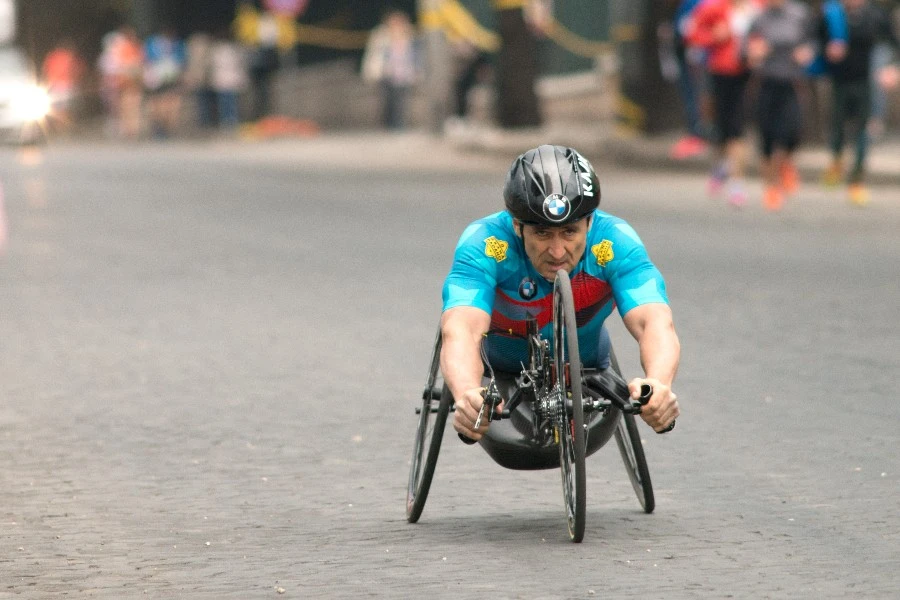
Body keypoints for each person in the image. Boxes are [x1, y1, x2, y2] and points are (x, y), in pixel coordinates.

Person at [440, 145, 681, 442]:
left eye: (569, 232)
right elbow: (460, 327)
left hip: (587, 359)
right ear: (517, 225)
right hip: (500, 361)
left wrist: (659, 383)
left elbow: (654, 320)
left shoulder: (615, 240)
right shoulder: (485, 242)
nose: (557, 251)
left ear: (590, 222)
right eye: (542, 233)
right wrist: (466, 392)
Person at [819, 0, 900, 205]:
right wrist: (825, 51)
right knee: (837, 126)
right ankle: (836, 159)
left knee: (862, 129)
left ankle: (857, 179)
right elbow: (815, 40)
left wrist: (892, 67)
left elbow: (893, 42)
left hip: (865, 82)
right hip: (839, 81)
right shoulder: (832, 14)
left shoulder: (875, 15)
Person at [687, 0, 763, 207]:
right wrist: (714, 36)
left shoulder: (756, 7)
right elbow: (692, 33)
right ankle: (721, 167)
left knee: (737, 129)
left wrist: (759, 50)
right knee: (722, 128)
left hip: (747, 75)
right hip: (720, 73)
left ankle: (737, 182)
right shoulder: (713, 7)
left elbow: (765, 34)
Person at [745, 0, 817, 211]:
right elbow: (745, 48)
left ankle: (786, 163)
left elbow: (813, 41)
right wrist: (754, 52)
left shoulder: (799, 15)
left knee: (792, 131)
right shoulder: (759, 19)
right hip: (766, 81)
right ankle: (771, 186)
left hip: (792, 81)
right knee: (767, 135)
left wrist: (807, 52)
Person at [362, 8, 420, 130]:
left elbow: (414, 57)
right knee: (389, 101)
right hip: (387, 74)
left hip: (404, 75)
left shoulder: (410, 37)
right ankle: (389, 125)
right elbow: (374, 56)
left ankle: (399, 125)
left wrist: (416, 72)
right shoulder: (381, 36)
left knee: (401, 102)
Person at [143, 27, 187, 139]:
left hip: (171, 78)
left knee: (170, 104)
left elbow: (182, 60)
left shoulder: (177, 45)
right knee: (157, 104)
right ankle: (158, 127)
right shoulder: (152, 44)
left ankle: (167, 128)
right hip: (156, 78)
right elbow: (147, 59)